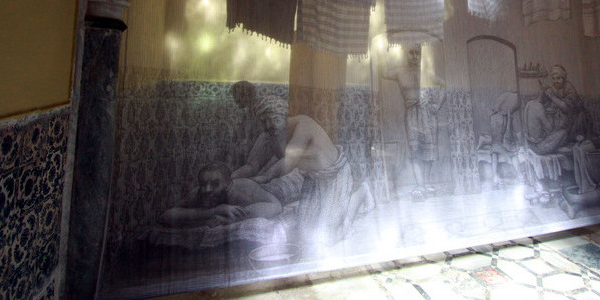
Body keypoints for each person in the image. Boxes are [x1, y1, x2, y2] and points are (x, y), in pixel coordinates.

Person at [252, 96, 375, 250]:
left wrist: (266, 177)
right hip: (313, 180)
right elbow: (254, 163)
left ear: (284, 115)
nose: (269, 125)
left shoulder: (303, 124)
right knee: (306, 234)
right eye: (264, 121)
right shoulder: (272, 134)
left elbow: (289, 161)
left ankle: (360, 193)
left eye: (274, 119)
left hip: (335, 177)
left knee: (327, 238)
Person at [381, 44, 446, 201]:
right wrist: (382, 50)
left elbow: (443, 83)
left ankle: (426, 183)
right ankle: (420, 186)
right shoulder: (399, 71)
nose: (415, 56)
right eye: (412, 53)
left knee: (429, 151)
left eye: (418, 53)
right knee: (415, 151)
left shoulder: (426, 71)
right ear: (406, 54)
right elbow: (383, 72)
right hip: (411, 113)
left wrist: (437, 105)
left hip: (428, 114)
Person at [158, 162, 283, 228]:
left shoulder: (243, 189)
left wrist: (234, 217)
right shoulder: (197, 193)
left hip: (278, 188)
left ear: (228, 185)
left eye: (214, 184)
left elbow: (276, 206)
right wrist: (216, 211)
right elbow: (166, 216)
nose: (207, 189)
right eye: (203, 184)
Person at [523, 64, 589, 155]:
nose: (555, 81)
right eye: (553, 78)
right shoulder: (553, 88)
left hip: (572, 123)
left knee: (563, 133)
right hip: (557, 123)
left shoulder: (569, 89)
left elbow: (566, 108)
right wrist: (542, 93)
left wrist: (552, 97)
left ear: (563, 78)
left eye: (558, 78)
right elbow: (544, 103)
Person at [477, 90, 521, 189]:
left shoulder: (496, 116)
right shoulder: (501, 116)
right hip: (502, 141)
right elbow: (507, 134)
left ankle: (496, 178)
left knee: (497, 151)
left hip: (499, 141)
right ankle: (516, 176)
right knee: (507, 152)